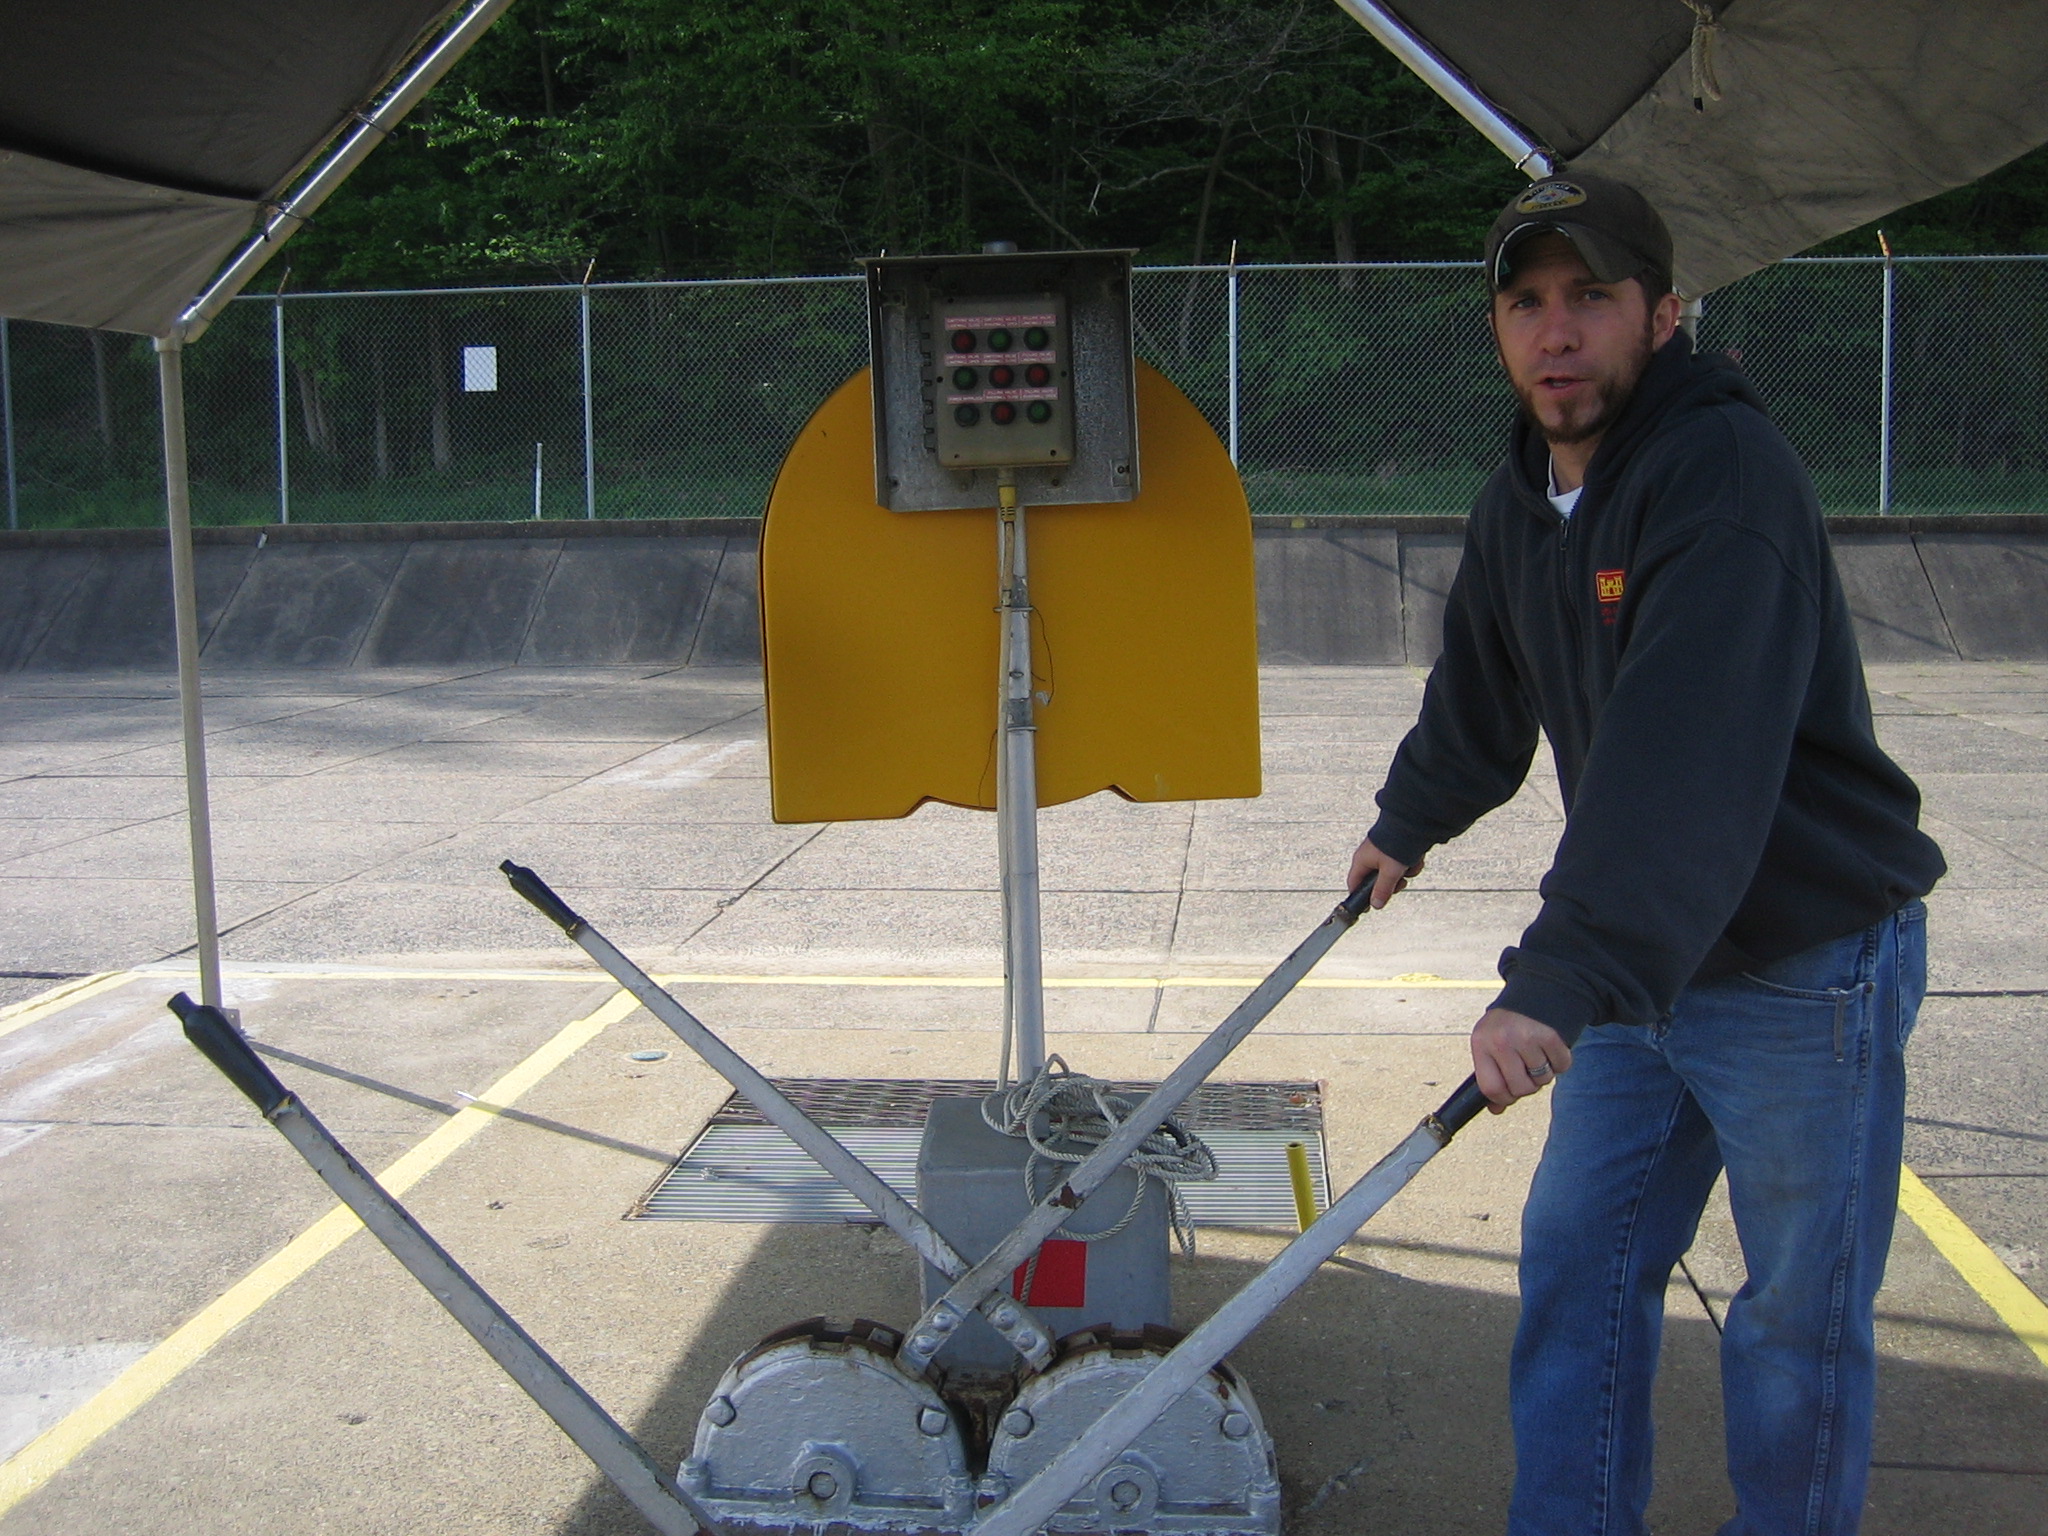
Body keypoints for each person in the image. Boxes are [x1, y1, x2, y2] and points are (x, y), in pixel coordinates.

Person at [1346, 174, 1945, 1536]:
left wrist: (1559, 977)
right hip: (1646, 968)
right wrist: (1406, 821)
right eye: (1527, 303)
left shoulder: (1722, 480)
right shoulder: (1523, 499)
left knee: (1794, 1316)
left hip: (1800, 961)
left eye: (1592, 298)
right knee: (1579, 1264)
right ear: (1498, 330)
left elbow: (1682, 762)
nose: (1556, 332)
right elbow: (1482, 696)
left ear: (1662, 315)